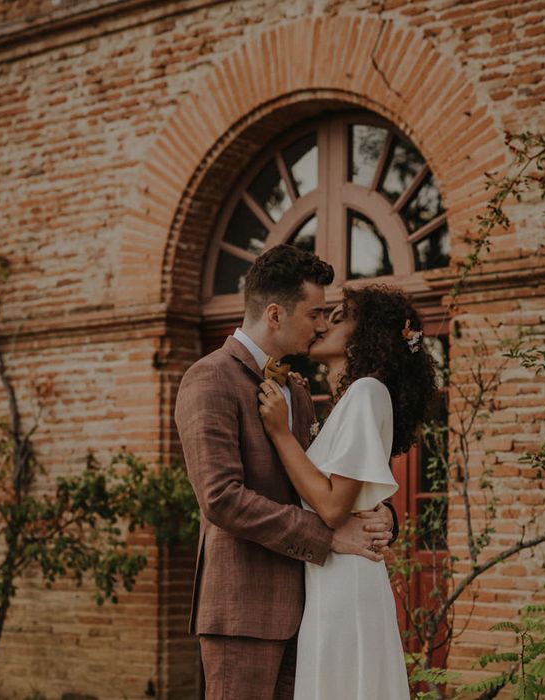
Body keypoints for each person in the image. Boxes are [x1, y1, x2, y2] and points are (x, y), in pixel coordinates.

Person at [174, 245, 397, 699]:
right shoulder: (209, 378)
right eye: (314, 313)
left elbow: (321, 479)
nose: (321, 325)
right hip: (244, 612)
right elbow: (221, 498)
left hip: (313, 611)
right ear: (274, 314)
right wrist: (328, 537)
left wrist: (380, 513)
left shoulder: (295, 389)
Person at [258, 284, 440, 700]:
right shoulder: (346, 401)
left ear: (367, 335)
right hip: (330, 577)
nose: (324, 324)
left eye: (340, 318)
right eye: (323, 316)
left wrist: (280, 433)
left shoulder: (366, 391)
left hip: (346, 581)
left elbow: (333, 507)